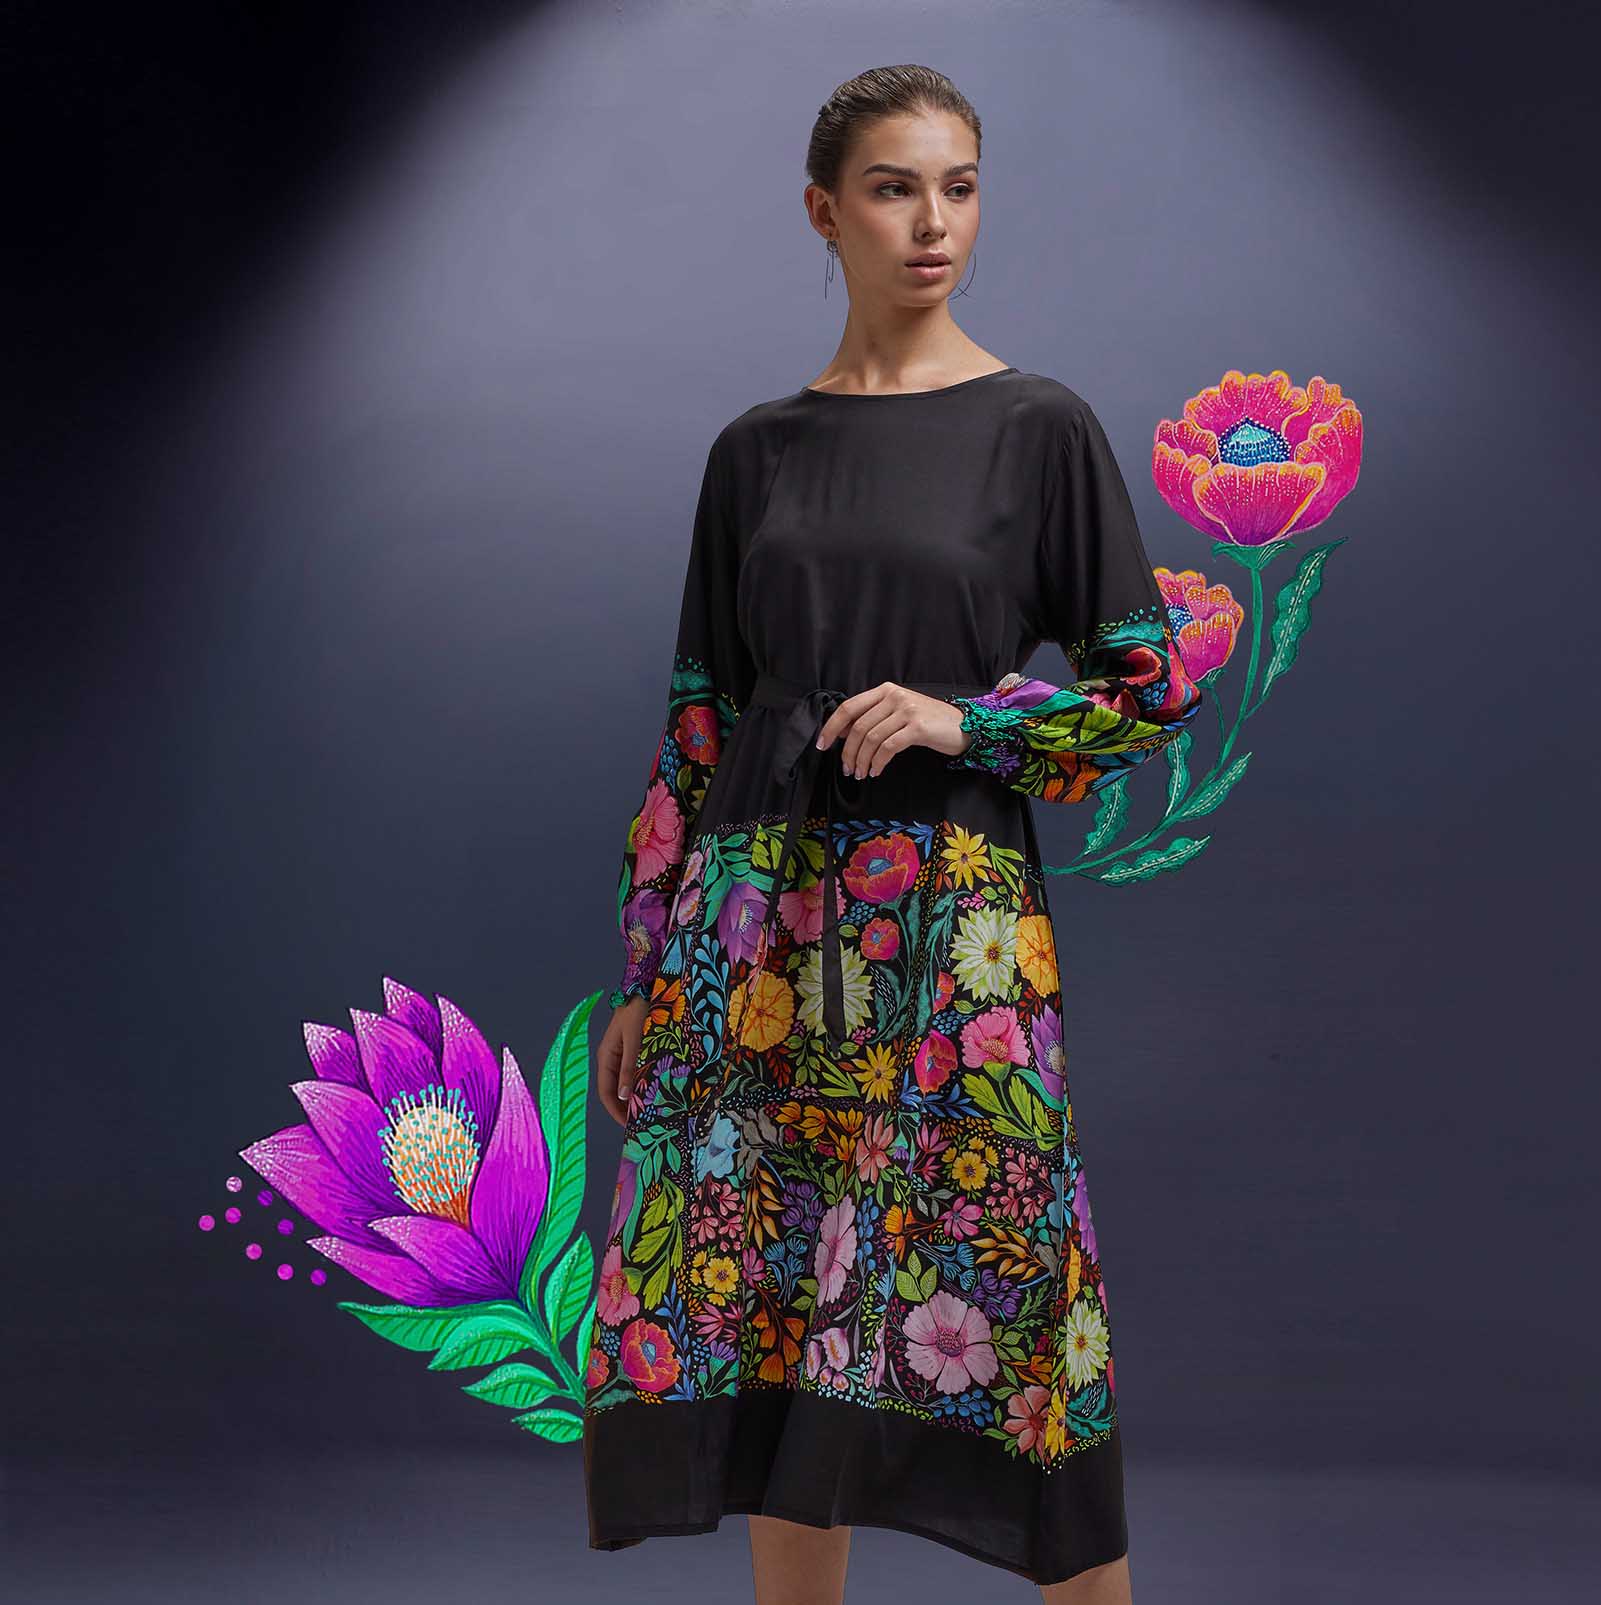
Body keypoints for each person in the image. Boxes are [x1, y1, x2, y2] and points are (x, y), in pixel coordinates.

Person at [582, 64, 1201, 1605]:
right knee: (781, 1315)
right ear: (824, 210)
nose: (935, 223)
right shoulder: (755, 454)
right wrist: (647, 967)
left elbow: (1149, 694)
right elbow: (697, 723)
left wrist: (963, 722)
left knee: (1013, 1299)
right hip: (754, 941)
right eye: (895, 188)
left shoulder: (1038, 430)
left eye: (960, 188)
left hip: (951, 937)